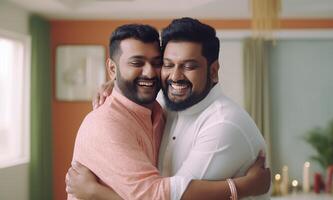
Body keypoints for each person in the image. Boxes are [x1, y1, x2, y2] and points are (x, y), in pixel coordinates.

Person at [67, 19, 271, 200]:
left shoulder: (222, 125)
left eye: (189, 66)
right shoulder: (115, 120)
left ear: (214, 71)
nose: (175, 76)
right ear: (113, 68)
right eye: (167, 64)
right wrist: (117, 83)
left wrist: (95, 193)